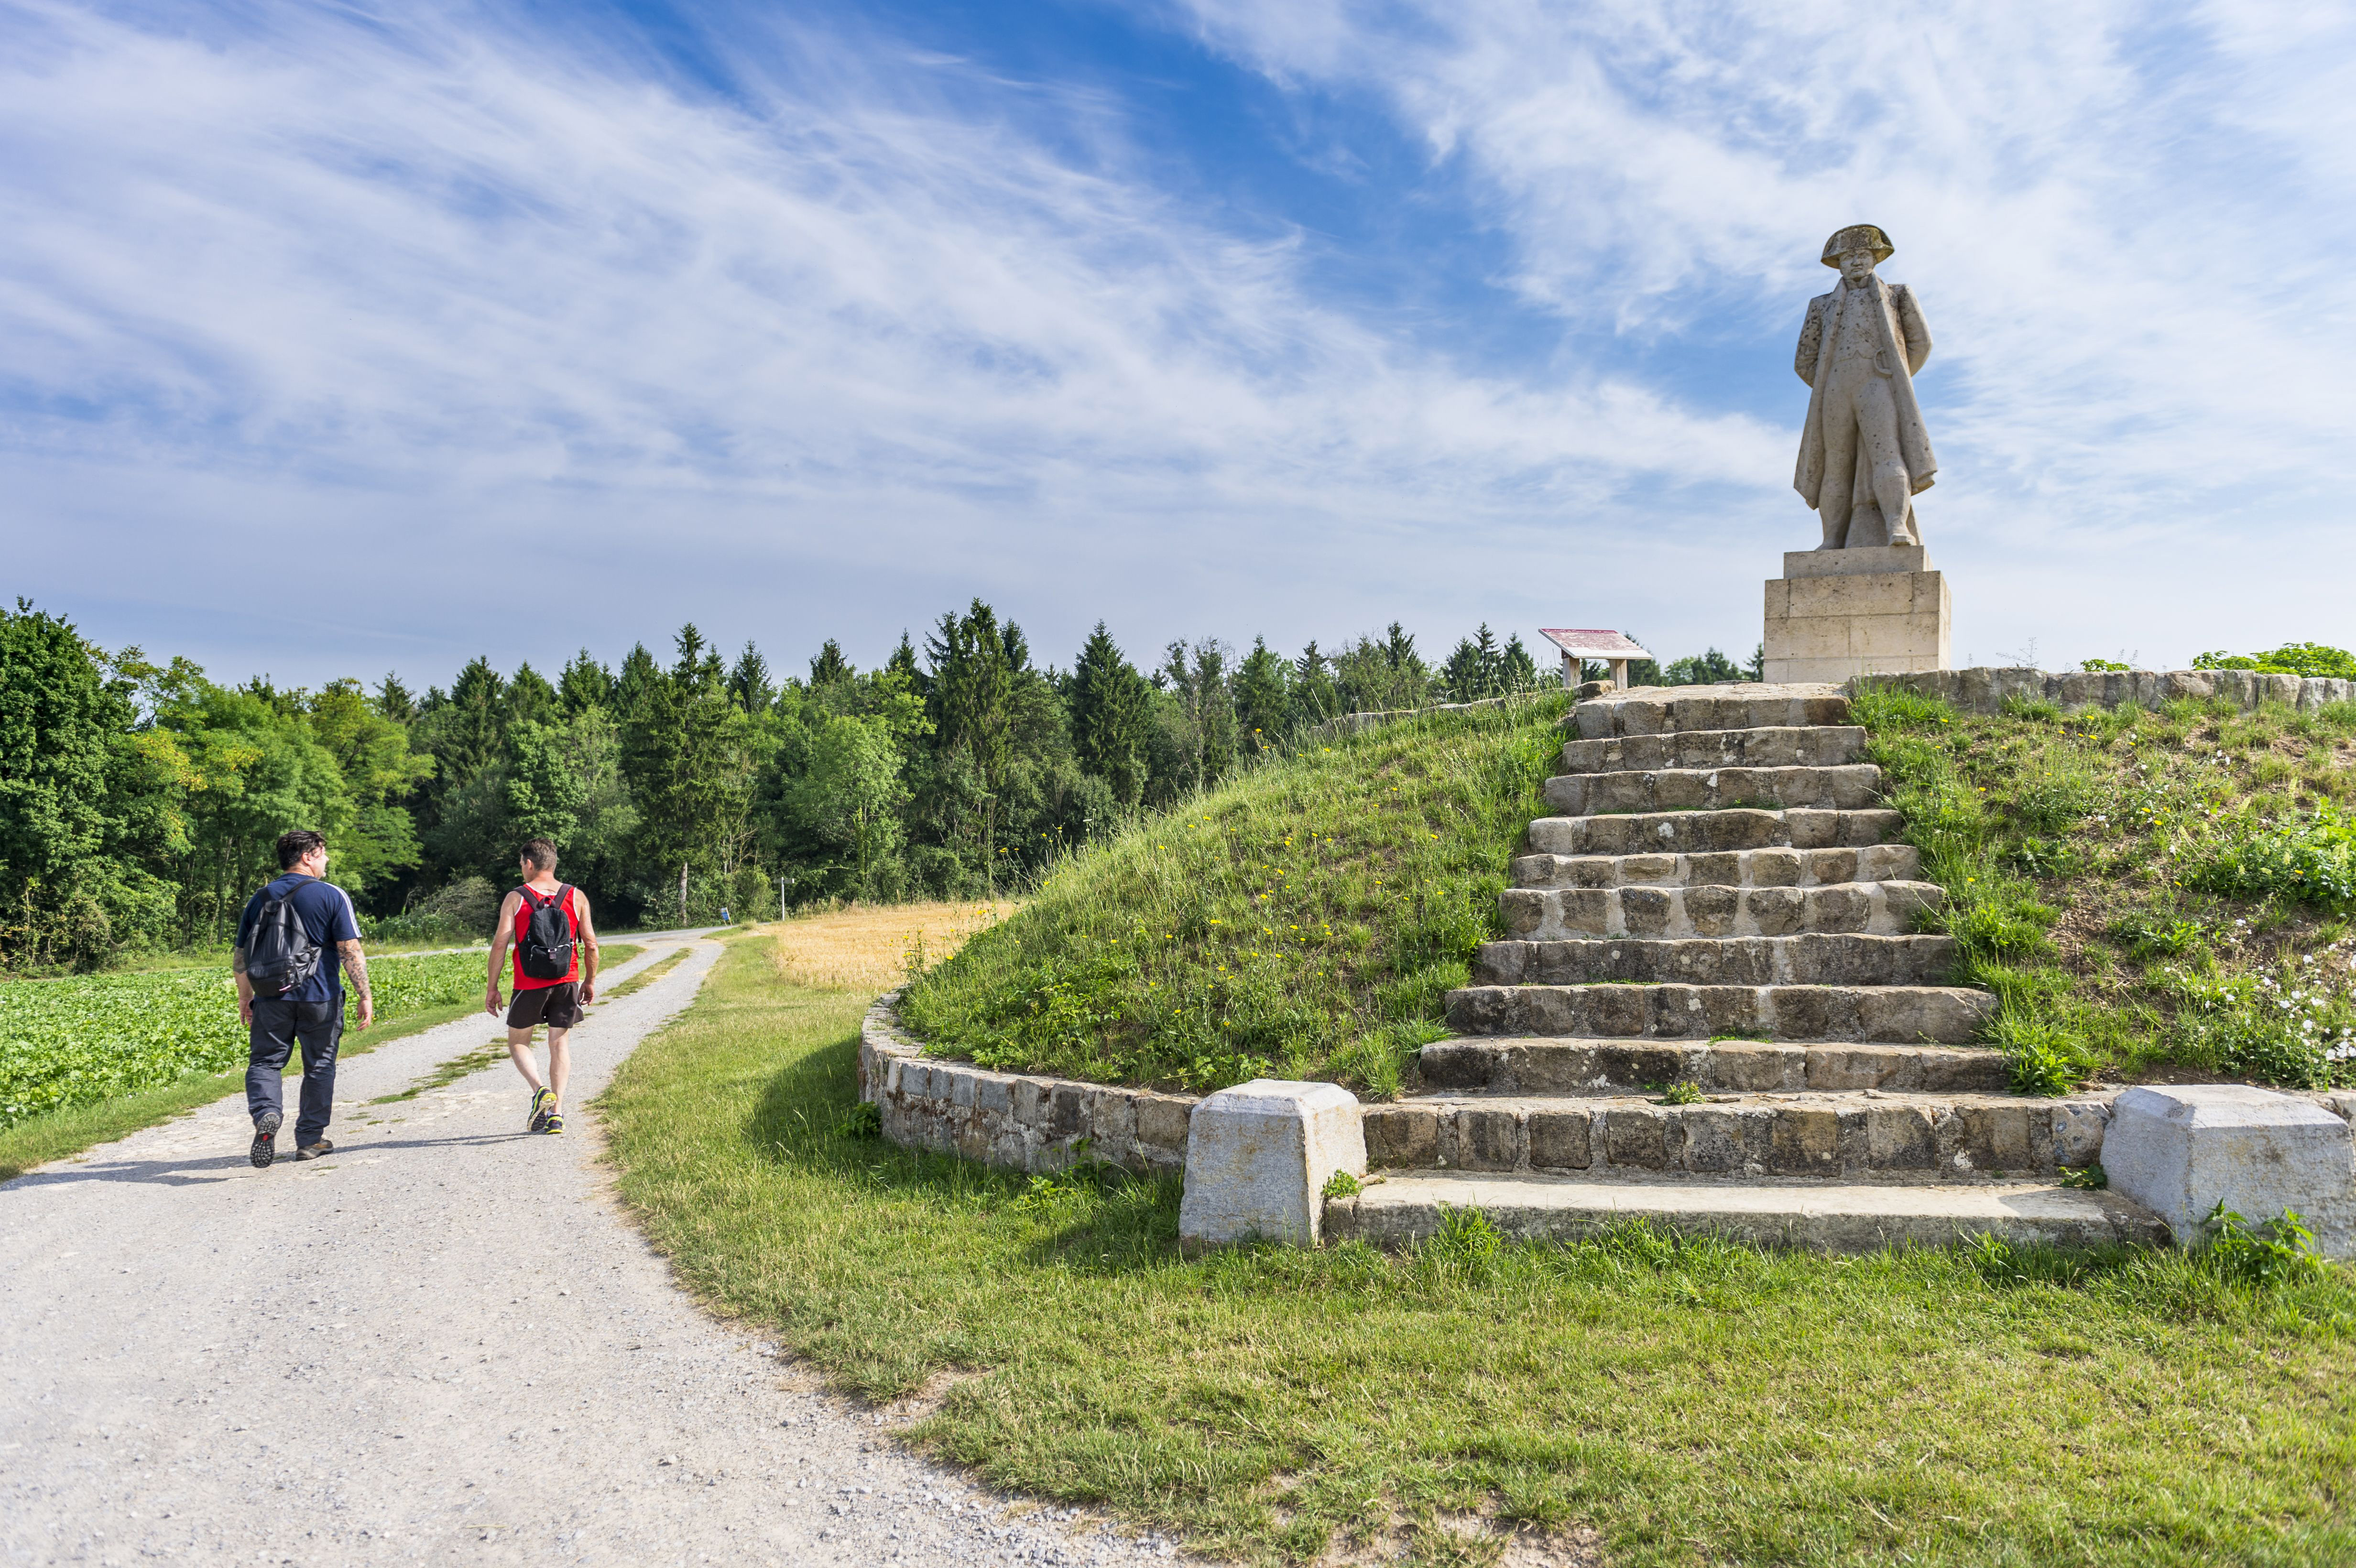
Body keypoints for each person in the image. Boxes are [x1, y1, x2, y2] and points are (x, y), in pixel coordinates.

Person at [1791, 222, 1937, 550]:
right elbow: (1804, 359)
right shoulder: (1820, 305)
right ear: (1838, 264)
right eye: (1848, 257)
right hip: (1835, 389)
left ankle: (1897, 526)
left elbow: (1921, 343)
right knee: (1836, 463)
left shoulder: (1898, 295)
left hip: (1878, 382)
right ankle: (1831, 539)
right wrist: (1830, 381)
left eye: (1862, 254)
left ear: (1875, 258)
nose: (1856, 262)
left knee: (1888, 453)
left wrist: (1894, 375)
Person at [234, 829, 371, 1168]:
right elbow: (349, 950)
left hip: (270, 998)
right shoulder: (330, 895)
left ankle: (267, 1113)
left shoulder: (260, 897)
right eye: (323, 854)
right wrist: (364, 995)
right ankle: (310, 1140)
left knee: (266, 1062)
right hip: (320, 997)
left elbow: (241, 958)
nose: (327, 860)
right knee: (320, 1066)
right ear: (308, 856)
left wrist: (246, 998)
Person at [485, 838, 600, 1135]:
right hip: (567, 980)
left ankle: (540, 1090)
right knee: (559, 1044)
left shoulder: (516, 897)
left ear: (529, 864)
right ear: (553, 863)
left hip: (528, 982)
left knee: (518, 1042)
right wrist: (589, 980)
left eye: (521, 864)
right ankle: (557, 1115)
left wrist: (493, 988)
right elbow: (591, 944)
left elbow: (500, 944)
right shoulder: (576, 896)